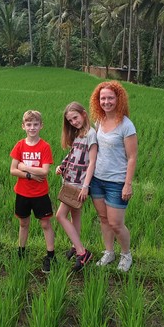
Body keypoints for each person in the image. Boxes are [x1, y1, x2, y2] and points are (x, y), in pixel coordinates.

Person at [88, 81, 138, 272]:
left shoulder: (126, 125)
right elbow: (93, 149)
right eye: (103, 98)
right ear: (97, 100)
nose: (106, 101)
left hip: (117, 182)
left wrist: (128, 184)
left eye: (110, 98)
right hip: (97, 179)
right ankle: (109, 252)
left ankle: (126, 254)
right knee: (103, 219)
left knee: (117, 223)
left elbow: (132, 157)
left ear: (118, 99)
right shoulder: (99, 121)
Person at [9, 110, 56, 273]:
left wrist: (23, 166)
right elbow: (12, 170)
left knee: (45, 223)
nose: (32, 127)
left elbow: (44, 172)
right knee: (23, 222)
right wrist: (29, 174)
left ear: (41, 126)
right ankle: (21, 250)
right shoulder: (20, 146)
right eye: (29, 124)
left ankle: (51, 255)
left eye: (36, 124)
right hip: (22, 192)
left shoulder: (45, 147)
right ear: (23, 126)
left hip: (40, 194)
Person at [55, 102, 97, 272]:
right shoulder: (79, 134)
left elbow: (92, 161)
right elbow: (73, 154)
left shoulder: (91, 134)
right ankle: (75, 245)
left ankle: (82, 252)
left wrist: (86, 186)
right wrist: (62, 165)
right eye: (70, 120)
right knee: (75, 217)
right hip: (70, 180)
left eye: (75, 118)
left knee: (60, 216)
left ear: (84, 114)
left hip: (78, 184)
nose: (73, 122)